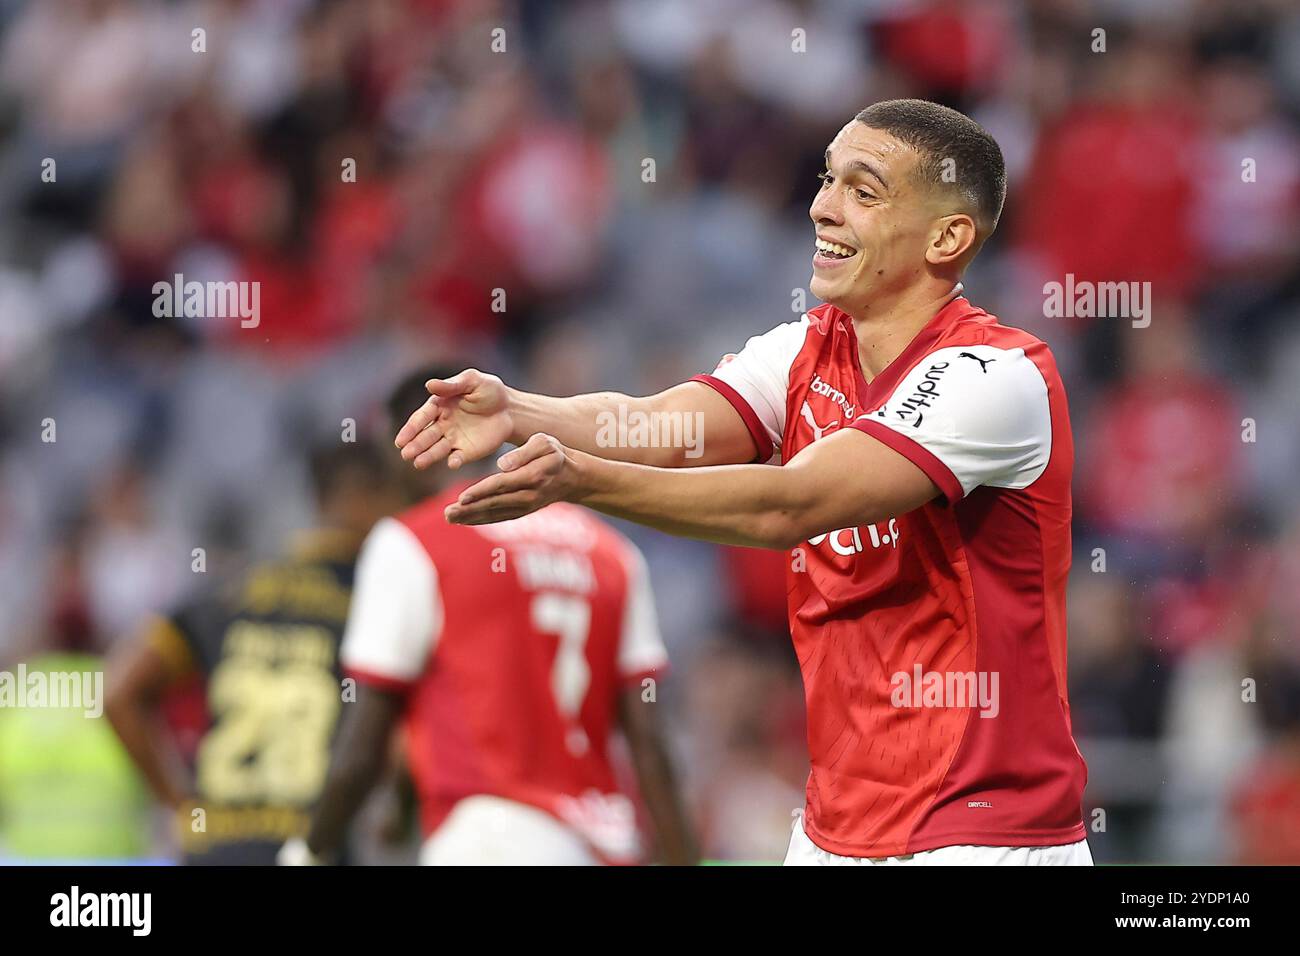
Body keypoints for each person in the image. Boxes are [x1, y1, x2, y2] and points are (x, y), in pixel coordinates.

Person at [394, 99, 1091, 865]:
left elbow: (792, 503)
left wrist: (580, 481)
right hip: (833, 829)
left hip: (980, 830)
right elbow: (661, 427)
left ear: (948, 236)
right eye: (828, 179)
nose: (823, 207)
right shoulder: (804, 350)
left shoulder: (994, 375)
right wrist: (521, 410)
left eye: (864, 191)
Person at [282, 368, 698, 866]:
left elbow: (363, 746)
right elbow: (650, 747)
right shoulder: (613, 554)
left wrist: (310, 850)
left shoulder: (412, 541)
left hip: (487, 840)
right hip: (602, 843)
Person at [104, 441, 401, 864]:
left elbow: (118, 691)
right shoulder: (377, 599)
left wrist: (181, 807)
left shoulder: (230, 590)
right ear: (366, 497)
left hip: (214, 847)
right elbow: (398, 747)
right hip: (313, 846)